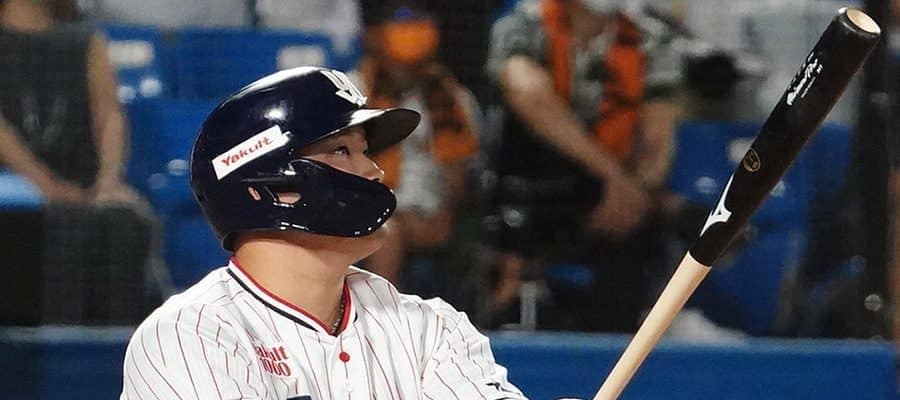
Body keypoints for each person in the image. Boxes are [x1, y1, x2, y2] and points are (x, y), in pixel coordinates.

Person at [120, 66, 526, 399]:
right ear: (264, 185)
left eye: (365, 152)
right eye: (341, 151)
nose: (373, 171)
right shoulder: (191, 335)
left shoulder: (429, 329)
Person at [485, 0, 681, 331]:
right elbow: (526, 93)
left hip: (616, 196)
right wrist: (613, 176)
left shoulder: (654, 38)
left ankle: (622, 345)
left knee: (650, 225)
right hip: (530, 184)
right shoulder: (522, 25)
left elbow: (658, 141)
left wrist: (635, 190)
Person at [0, 0, 156, 324]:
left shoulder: (86, 41)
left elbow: (108, 115)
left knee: (122, 220)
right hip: (15, 184)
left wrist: (108, 181)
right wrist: (46, 185)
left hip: (80, 180)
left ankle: (117, 344)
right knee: (52, 220)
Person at [356, 1, 482, 289]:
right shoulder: (354, 93)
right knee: (388, 230)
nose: (411, 28)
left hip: (432, 215)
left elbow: (463, 180)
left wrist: (449, 212)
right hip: (369, 209)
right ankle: (381, 316)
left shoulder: (455, 99)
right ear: (373, 37)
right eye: (400, 21)